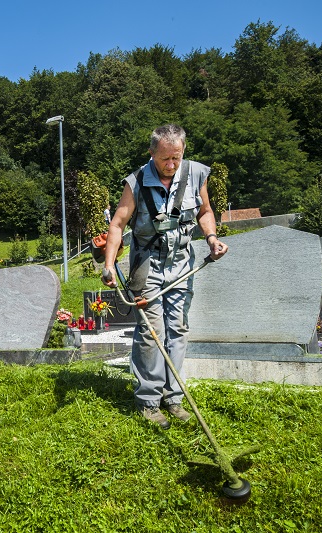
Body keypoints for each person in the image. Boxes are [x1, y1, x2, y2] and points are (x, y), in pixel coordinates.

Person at [102, 124, 228, 429]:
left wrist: (211, 237)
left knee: (178, 329)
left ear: (183, 150)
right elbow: (118, 225)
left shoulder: (196, 173)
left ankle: (173, 398)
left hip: (181, 264)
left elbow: (205, 211)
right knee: (151, 332)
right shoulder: (135, 183)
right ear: (151, 153)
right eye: (164, 160)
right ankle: (148, 400)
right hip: (147, 265)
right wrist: (108, 265)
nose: (171, 165)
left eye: (176, 158)